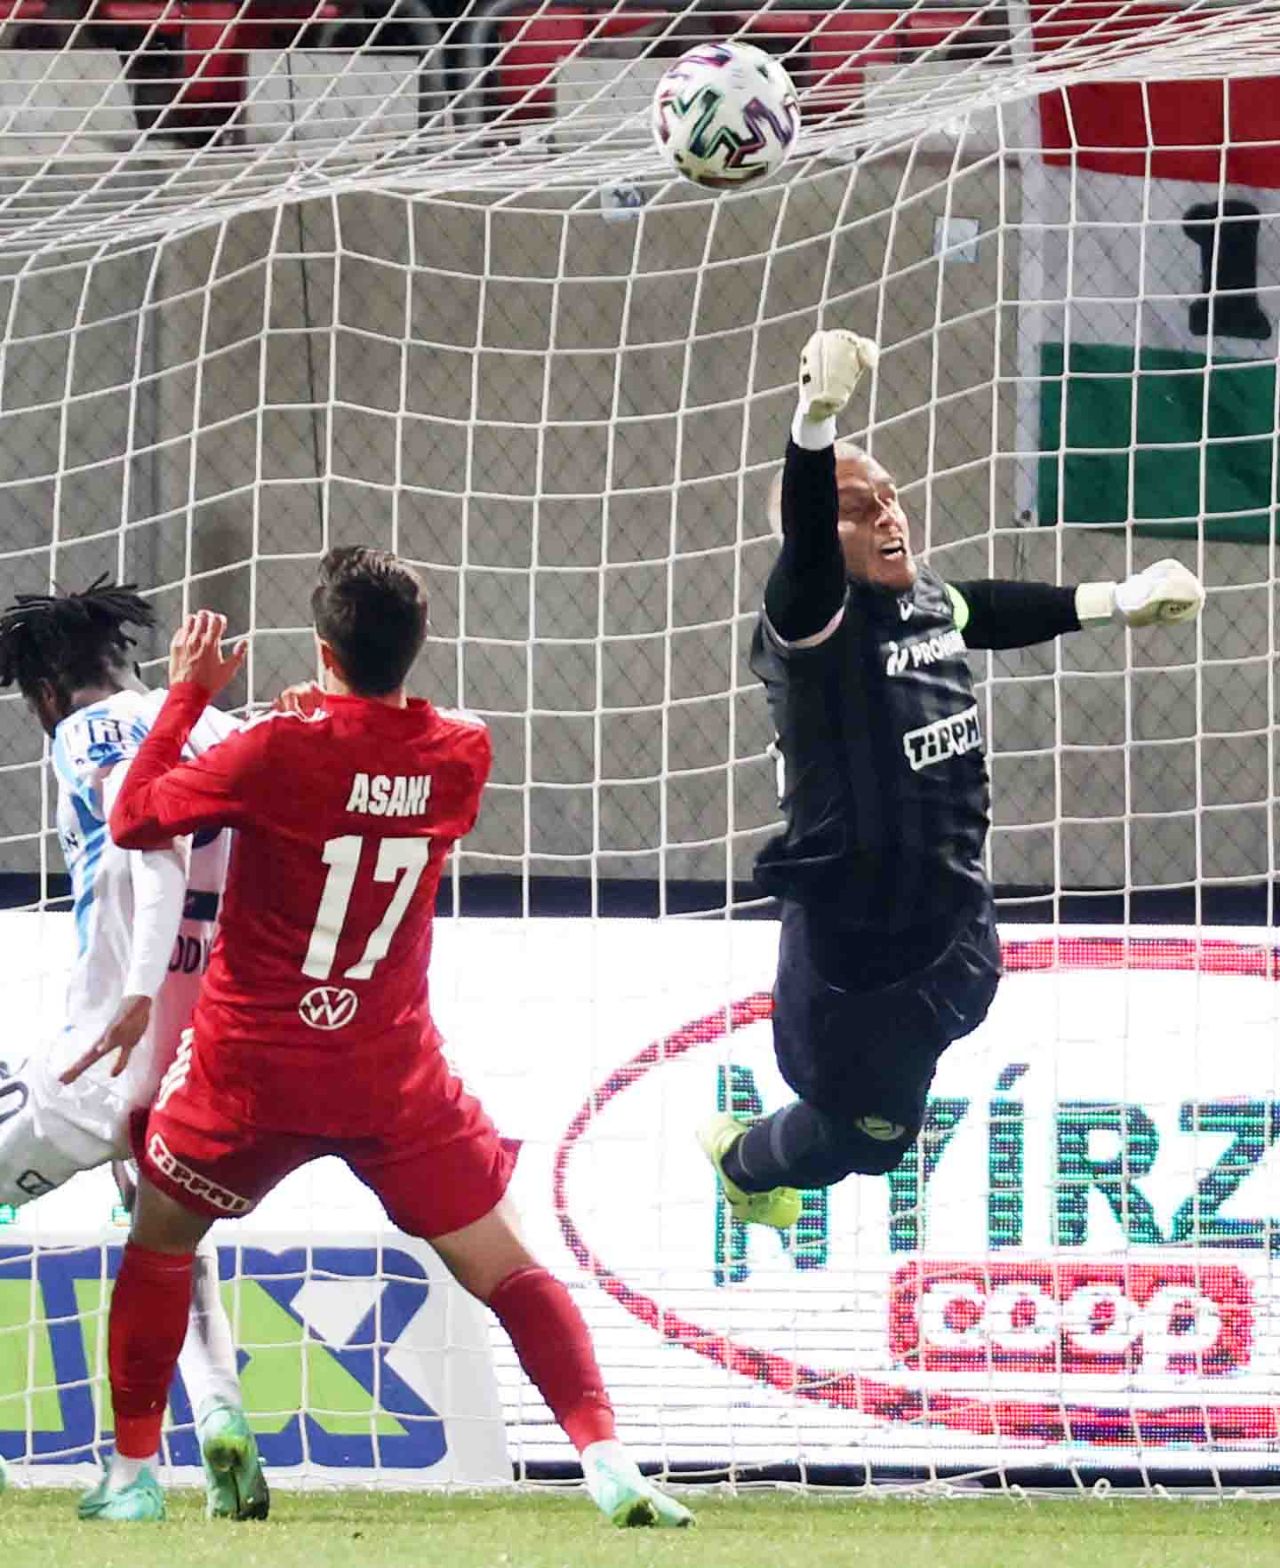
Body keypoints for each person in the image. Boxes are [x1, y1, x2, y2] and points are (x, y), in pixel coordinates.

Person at [86, 546, 692, 1529]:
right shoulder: (462, 750)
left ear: (323, 649)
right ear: (416, 644)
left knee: (159, 1244)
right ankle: (608, 1460)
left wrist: (190, 695)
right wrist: (326, 719)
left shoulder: (271, 749)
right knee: (510, 1267)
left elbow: (134, 817)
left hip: (252, 1072)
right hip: (388, 1075)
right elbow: (369, 763)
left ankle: (131, 1475)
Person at [701, 330, 1206, 1226]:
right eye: (857, 509)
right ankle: (741, 1161)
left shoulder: (924, 597)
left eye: (890, 497)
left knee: (904, 1093)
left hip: (956, 916)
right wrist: (814, 421)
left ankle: (835, 1115)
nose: (887, 516)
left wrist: (1113, 601)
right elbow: (810, 545)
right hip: (861, 948)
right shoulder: (811, 619)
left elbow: (987, 609)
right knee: (868, 1145)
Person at [0, 579, 267, 1519]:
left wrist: (137, 991)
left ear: (44, 693)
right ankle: (223, 1419)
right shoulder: (222, 730)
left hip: (106, 1054)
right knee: (163, 1236)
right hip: (207, 1064)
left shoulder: (87, 735)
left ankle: (149, 1470)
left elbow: (147, 847)